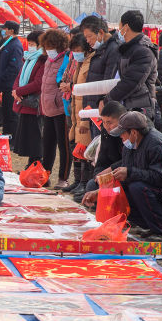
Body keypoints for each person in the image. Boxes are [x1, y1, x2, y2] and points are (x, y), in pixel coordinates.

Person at [98, 111, 162, 242]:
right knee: (122, 189)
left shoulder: (156, 143)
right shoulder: (130, 145)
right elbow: (127, 170)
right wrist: (101, 190)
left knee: (137, 187)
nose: (121, 137)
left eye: (122, 133)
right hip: (152, 188)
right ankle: (149, 225)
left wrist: (129, 173)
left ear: (134, 132)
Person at [104, 11, 158, 122]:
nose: (118, 30)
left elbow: (131, 83)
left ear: (126, 27)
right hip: (125, 106)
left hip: (139, 109)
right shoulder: (127, 49)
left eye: (120, 26)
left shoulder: (143, 51)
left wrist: (107, 99)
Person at [81, 101, 127, 207]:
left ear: (122, 119)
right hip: (111, 175)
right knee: (92, 185)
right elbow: (102, 158)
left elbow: (131, 159)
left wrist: (111, 170)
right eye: (103, 122)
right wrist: (98, 175)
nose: (106, 126)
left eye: (110, 122)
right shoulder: (106, 131)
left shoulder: (130, 130)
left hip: (126, 174)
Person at [40, 28, 70, 189]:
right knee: (48, 144)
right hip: (47, 108)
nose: (48, 50)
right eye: (46, 47)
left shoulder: (66, 59)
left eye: (51, 46)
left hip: (60, 109)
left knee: (63, 144)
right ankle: (45, 175)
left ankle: (63, 177)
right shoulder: (48, 60)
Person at [68, 32, 96, 200]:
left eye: (78, 49)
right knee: (78, 147)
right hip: (76, 107)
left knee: (87, 149)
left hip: (86, 108)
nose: (75, 53)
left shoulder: (91, 61)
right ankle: (79, 181)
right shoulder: (80, 62)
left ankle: (85, 183)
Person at [11, 30, 45, 167]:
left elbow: (38, 83)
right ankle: (31, 163)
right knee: (28, 136)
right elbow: (19, 77)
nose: (29, 46)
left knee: (35, 136)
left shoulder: (42, 60)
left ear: (39, 45)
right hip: (23, 102)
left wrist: (19, 91)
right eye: (28, 43)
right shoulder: (28, 58)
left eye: (32, 44)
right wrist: (15, 90)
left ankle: (36, 162)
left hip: (33, 103)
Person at [80, 16, 121, 110]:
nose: (88, 41)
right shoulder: (100, 49)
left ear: (101, 33)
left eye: (89, 36)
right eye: (86, 37)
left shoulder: (114, 50)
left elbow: (108, 83)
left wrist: (99, 103)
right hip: (92, 106)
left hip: (102, 108)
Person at [0, 21, 24, 135]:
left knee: (12, 114)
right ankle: (6, 136)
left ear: (11, 30)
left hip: (10, 85)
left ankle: (13, 138)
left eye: (5, 29)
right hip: (5, 85)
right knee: (6, 113)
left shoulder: (15, 45)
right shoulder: (8, 43)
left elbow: (14, 67)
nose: (3, 31)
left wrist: (3, 77)